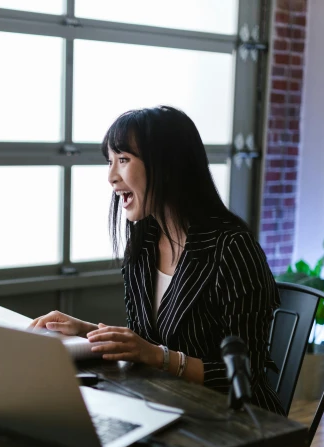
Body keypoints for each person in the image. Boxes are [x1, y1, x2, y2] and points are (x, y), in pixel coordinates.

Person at [29, 106, 284, 415]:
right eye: (110, 162)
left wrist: (158, 357)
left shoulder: (232, 248)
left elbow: (246, 376)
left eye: (123, 160)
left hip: (231, 422)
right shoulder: (144, 242)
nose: (111, 177)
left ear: (167, 166)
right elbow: (145, 342)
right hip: (165, 404)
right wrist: (84, 330)